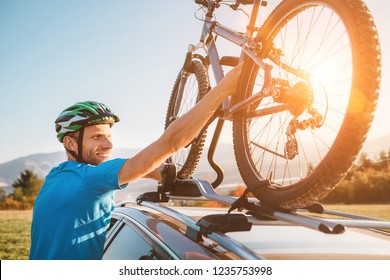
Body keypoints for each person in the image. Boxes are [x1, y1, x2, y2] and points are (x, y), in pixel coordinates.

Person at [29, 63, 243, 260]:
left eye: (108, 137)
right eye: (97, 137)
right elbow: (172, 142)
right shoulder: (89, 179)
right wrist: (224, 88)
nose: (108, 145)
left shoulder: (58, 176)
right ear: (71, 143)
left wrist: (151, 171)